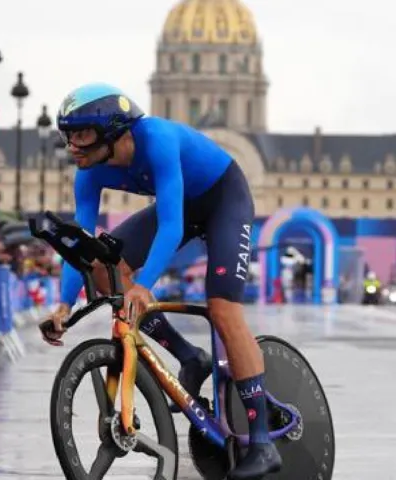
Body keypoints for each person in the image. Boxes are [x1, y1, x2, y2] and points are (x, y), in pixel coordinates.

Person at [40, 83, 280, 478]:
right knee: (104, 268)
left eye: (81, 135)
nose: (73, 146)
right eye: (68, 135)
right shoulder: (87, 174)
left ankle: (262, 443)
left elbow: (172, 226)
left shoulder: (157, 139)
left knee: (222, 308)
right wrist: (64, 305)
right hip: (181, 204)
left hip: (223, 199)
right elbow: (79, 248)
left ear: (112, 130)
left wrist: (144, 284)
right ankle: (190, 357)